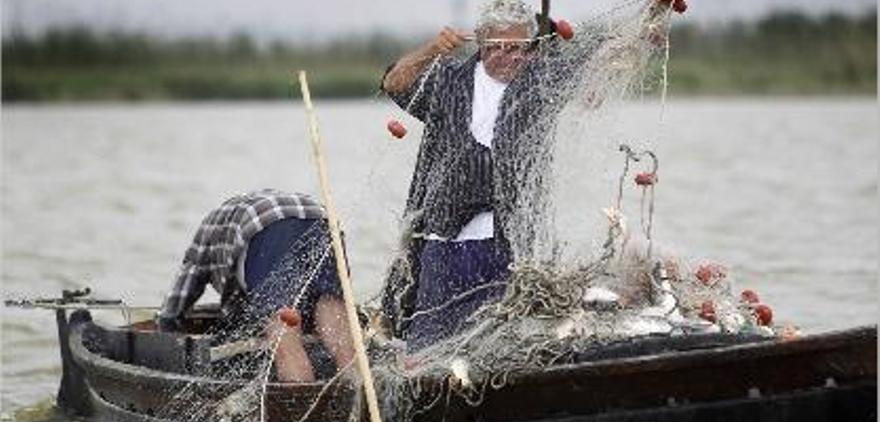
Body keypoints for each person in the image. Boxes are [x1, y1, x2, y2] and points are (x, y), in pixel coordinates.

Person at [380, 0, 680, 351]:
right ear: (480, 42)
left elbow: (607, 54)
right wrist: (431, 49)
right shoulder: (447, 80)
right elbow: (394, 83)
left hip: (510, 246)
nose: (508, 57)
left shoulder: (542, 81)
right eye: (498, 48)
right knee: (429, 346)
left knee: (499, 348)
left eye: (518, 49)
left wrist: (654, 18)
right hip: (444, 243)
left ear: (532, 46)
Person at [157, 189, 354, 382]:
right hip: (323, 222)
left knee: (284, 331)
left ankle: (299, 403)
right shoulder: (228, 226)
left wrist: (166, 328)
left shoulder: (209, 233)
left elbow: (178, 299)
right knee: (333, 311)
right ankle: (355, 387)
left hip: (269, 227)